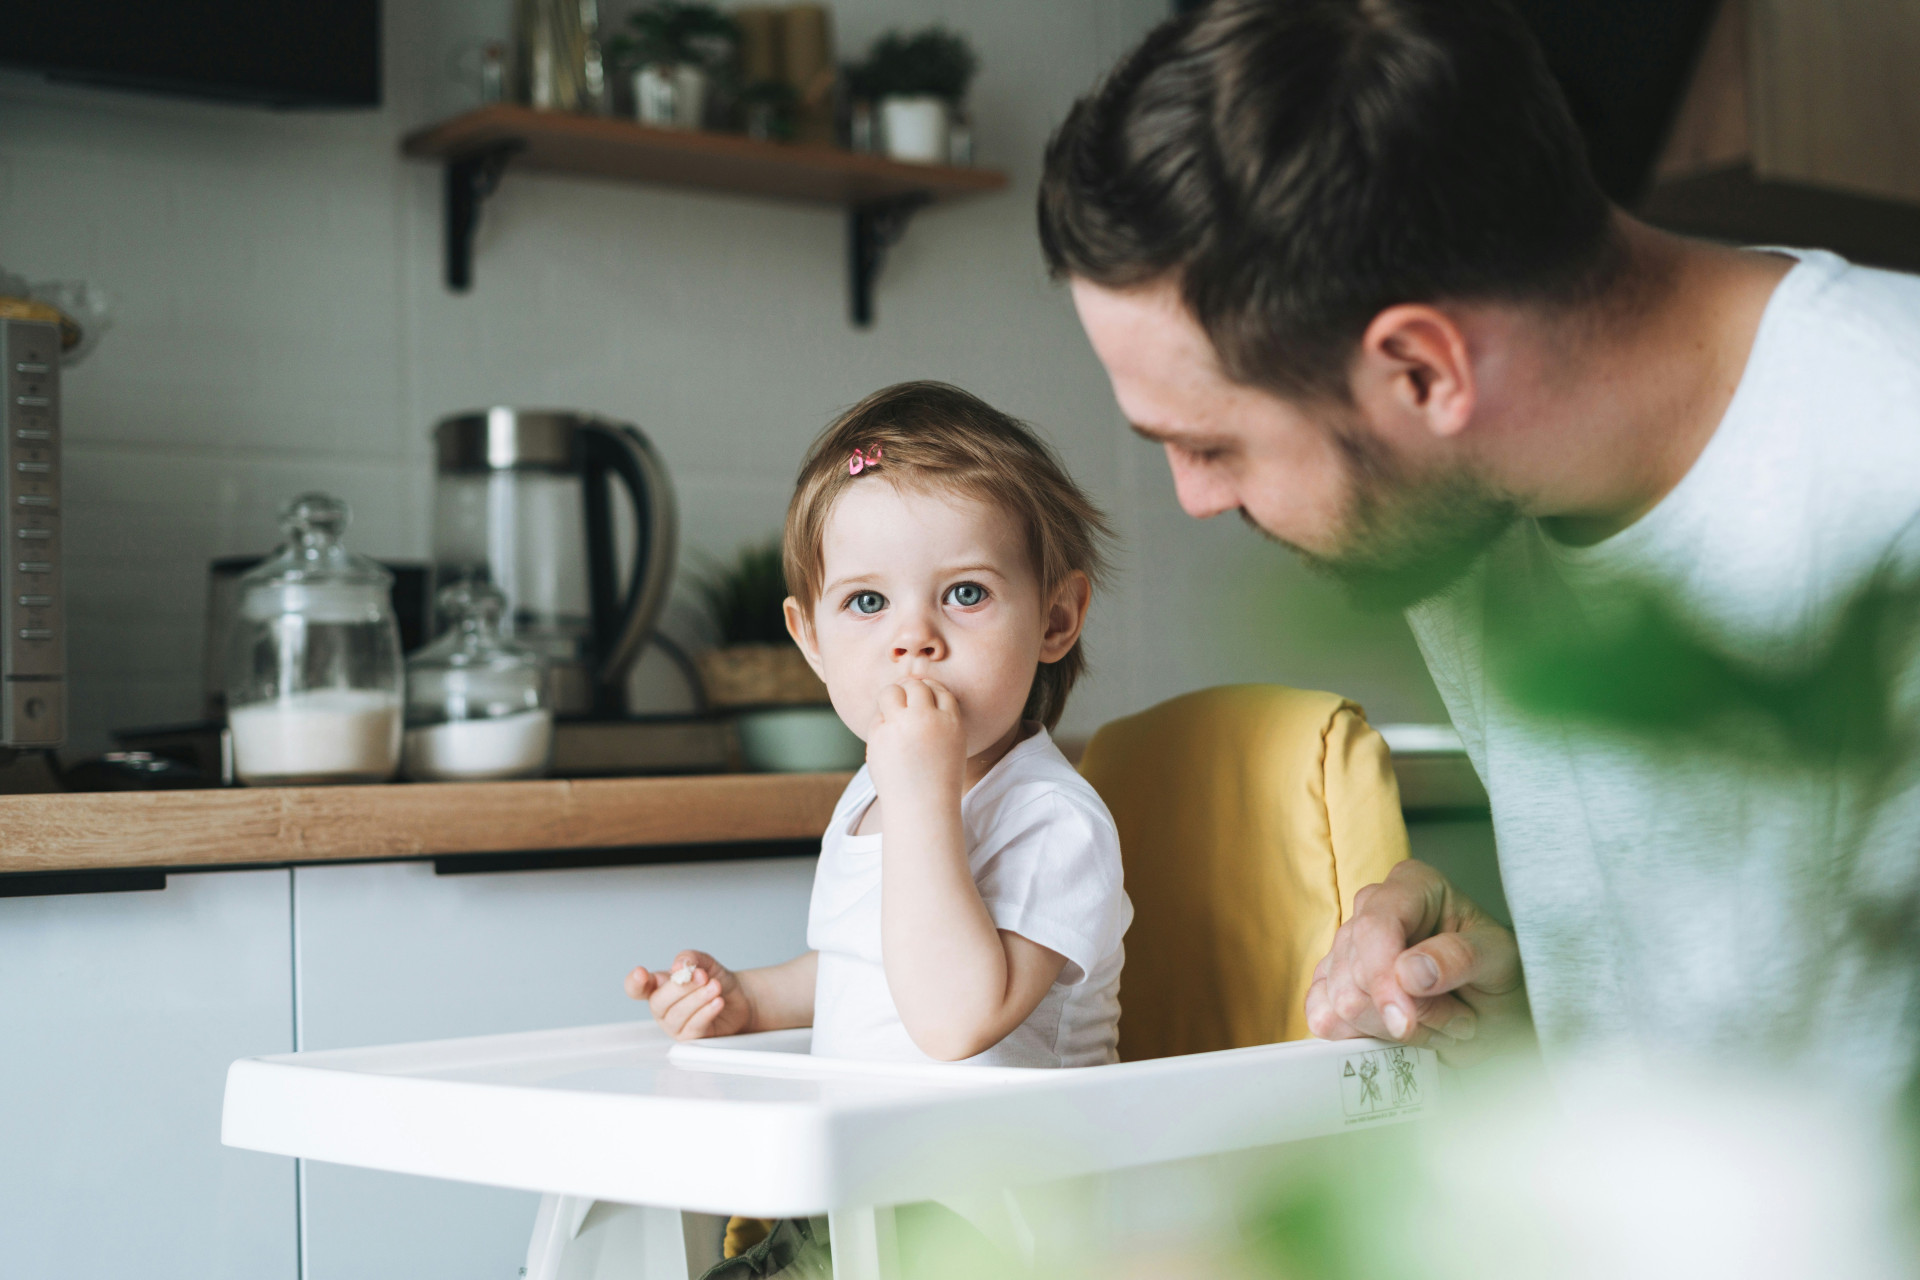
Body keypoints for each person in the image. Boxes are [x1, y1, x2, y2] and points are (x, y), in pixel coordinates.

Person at [1040, 0, 1920, 1093]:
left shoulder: (1891, 469)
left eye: (1213, 443)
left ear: (1423, 371)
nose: (1194, 497)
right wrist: (1517, 1012)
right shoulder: (1467, 512)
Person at [628, 380, 1130, 1070]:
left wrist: (920, 795)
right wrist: (750, 998)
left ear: (1055, 619)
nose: (913, 638)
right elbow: (864, 966)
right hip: (876, 1138)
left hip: (1020, 1144)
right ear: (811, 640)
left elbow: (956, 1021)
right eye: (867, 601)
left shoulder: (1053, 820)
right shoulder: (872, 791)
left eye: (966, 593)